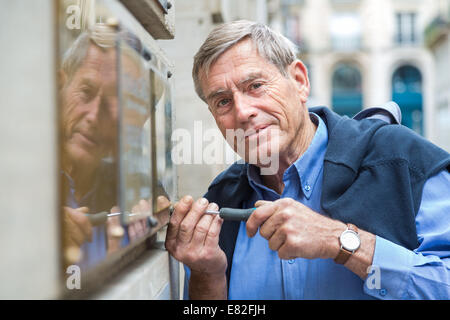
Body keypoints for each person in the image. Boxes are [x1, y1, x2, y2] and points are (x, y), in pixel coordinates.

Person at [165, 20, 450, 299]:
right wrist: (207, 277)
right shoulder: (221, 203)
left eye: (255, 86)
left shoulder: (400, 159)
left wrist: (341, 241)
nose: (242, 112)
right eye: (223, 101)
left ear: (299, 81)